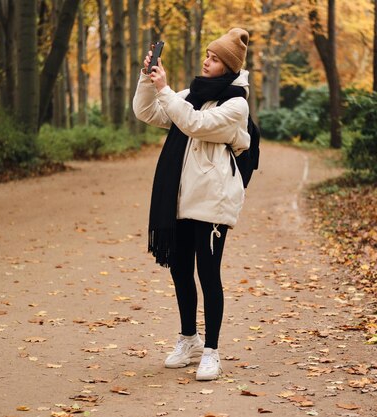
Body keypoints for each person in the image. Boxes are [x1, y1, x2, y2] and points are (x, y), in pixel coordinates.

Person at [132, 28, 251, 381]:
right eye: (207, 55)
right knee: (180, 269)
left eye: (214, 58)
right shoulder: (191, 94)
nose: (206, 61)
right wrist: (147, 79)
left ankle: (212, 351)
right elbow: (147, 113)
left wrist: (167, 91)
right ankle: (189, 339)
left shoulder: (236, 104)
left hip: (212, 200)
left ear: (228, 66)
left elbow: (195, 124)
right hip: (181, 199)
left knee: (208, 274)